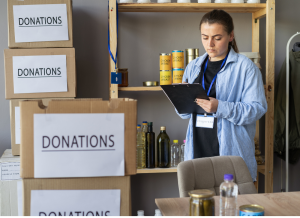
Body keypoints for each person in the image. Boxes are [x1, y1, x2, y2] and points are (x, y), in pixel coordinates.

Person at [176, 10, 267, 181]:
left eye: (217, 38)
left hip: (231, 155)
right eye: (204, 37)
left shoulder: (246, 68)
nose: (210, 44)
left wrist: (220, 107)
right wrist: (181, 98)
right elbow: (185, 114)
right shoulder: (193, 66)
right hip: (197, 152)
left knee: (230, 207)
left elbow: (257, 109)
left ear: (231, 36)